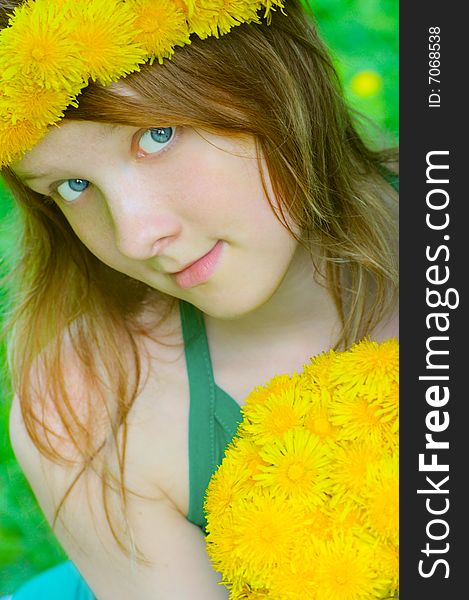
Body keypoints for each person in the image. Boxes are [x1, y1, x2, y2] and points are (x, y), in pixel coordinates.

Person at [0, 0, 398, 598]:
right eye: (72, 185)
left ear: (273, 70)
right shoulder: (94, 405)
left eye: (156, 136)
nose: (136, 236)